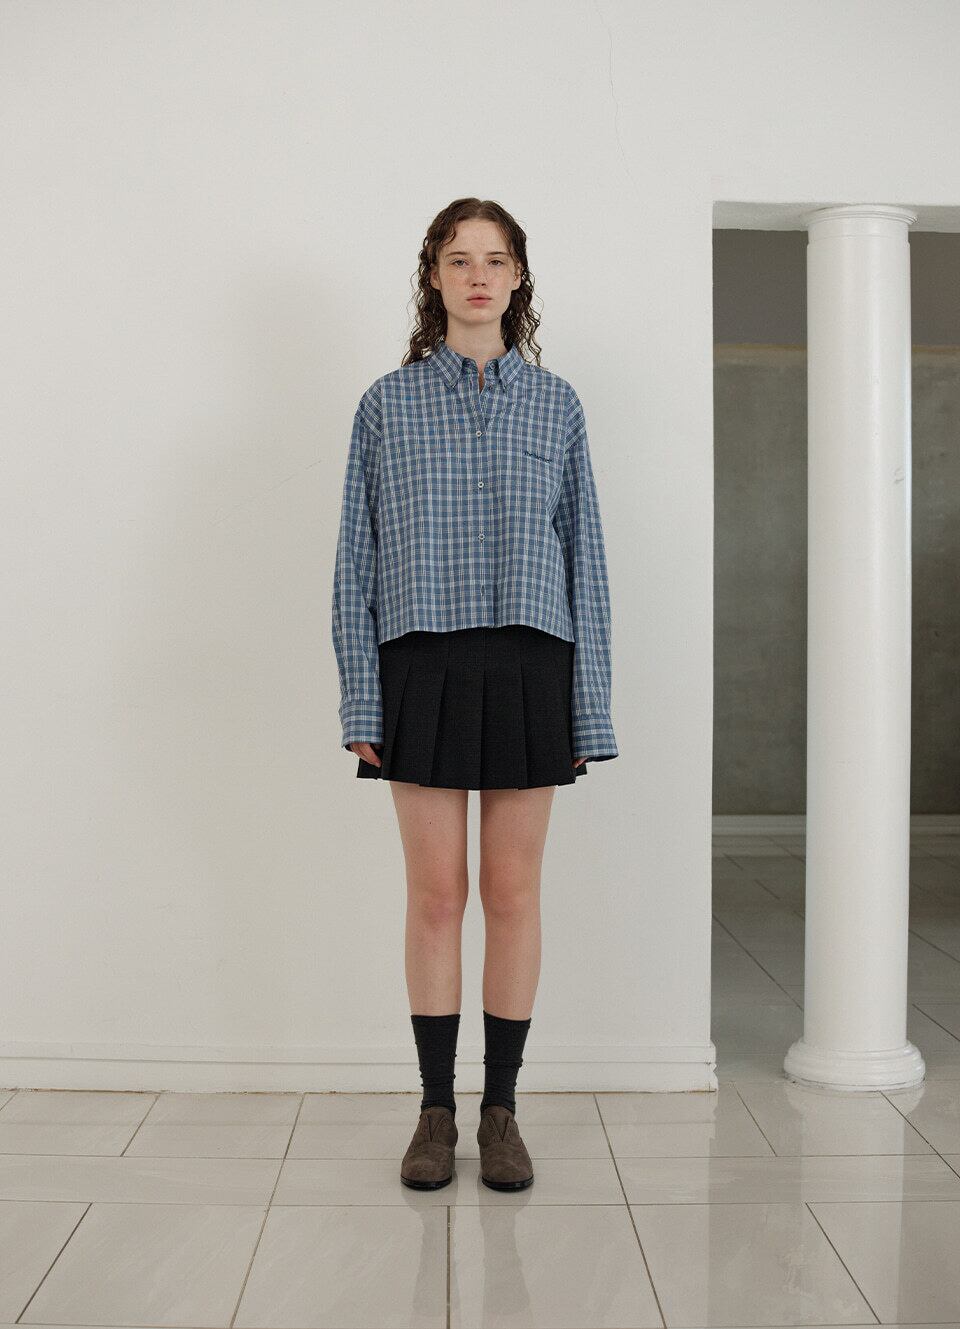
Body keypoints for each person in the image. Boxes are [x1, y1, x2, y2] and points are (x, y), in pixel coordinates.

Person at [331, 196, 618, 1192]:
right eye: (459, 260)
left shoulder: (557, 406)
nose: (478, 276)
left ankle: (501, 1110)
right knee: (436, 895)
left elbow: (587, 564)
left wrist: (589, 705)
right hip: (420, 664)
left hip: (533, 664)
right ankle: (434, 1112)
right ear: (434, 277)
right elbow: (354, 561)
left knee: (512, 892)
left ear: (518, 276)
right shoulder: (386, 404)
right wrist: (362, 701)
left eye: (495, 260)